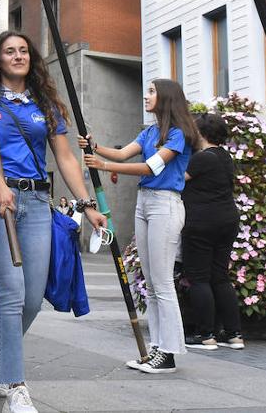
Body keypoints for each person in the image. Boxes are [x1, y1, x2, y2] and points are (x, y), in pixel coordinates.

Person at [0, 31, 107, 412]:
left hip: (37, 200)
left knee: (32, 297)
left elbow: (64, 158)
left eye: (23, 51)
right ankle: (14, 386)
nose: (17, 56)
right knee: (11, 293)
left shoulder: (46, 105)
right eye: (9, 51)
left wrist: (88, 204)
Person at [80, 79, 196, 374]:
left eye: (152, 92)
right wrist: (95, 147)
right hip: (145, 204)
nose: (146, 96)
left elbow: (151, 167)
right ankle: (158, 347)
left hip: (165, 205)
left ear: (166, 98)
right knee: (151, 282)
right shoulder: (150, 131)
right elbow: (121, 154)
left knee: (163, 281)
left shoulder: (179, 135)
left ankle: (168, 352)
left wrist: (102, 166)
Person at [180, 113, 244, 351]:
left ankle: (206, 334)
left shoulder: (201, 159)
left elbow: (176, 179)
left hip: (202, 222)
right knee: (220, 276)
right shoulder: (225, 156)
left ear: (201, 134)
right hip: (227, 220)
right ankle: (234, 334)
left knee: (199, 278)